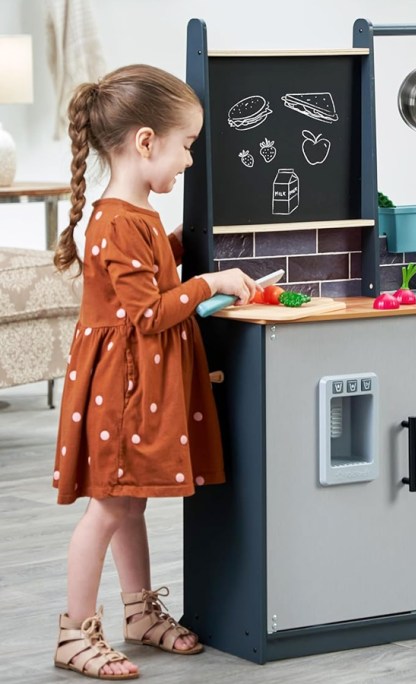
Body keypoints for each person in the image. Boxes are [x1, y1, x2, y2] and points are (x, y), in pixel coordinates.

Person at [51, 64, 258, 679]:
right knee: (110, 508)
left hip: (135, 384)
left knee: (130, 505)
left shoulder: (134, 219)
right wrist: (207, 282)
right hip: (122, 391)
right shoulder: (115, 220)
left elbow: (142, 282)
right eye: (186, 147)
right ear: (146, 143)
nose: (190, 161)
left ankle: (139, 613)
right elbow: (147, 314)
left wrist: (172, 248)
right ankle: (73, 632)